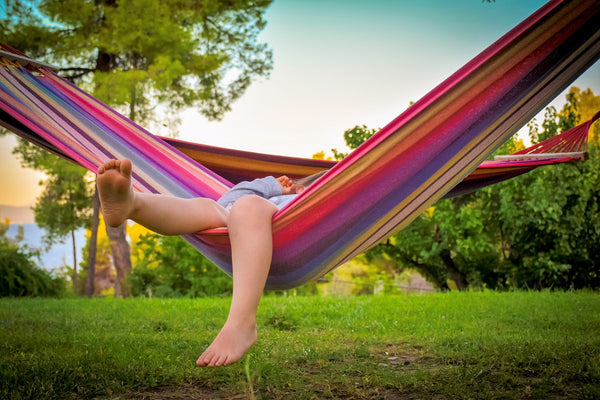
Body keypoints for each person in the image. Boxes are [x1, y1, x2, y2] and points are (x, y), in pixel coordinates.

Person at [96, 159, 325, 367]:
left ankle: (241, 323)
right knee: (210, 206)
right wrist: (270, 185)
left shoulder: (309, 208)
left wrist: (253, 200)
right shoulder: (276, 195)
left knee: (247, 205)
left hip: (285, 232)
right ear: (302, 189)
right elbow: (229, 200)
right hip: (237, 225)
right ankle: (132, 204)